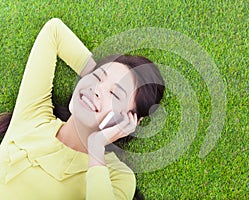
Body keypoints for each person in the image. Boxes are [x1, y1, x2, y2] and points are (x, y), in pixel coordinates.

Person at [0, 18, 164, 199]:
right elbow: (53, 31)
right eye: (97, 77)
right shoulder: (34, 113)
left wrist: (96, 148)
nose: (97, 90)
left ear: (129, 120)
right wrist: (93, 84)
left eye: (115, 94)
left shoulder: (118, 176)